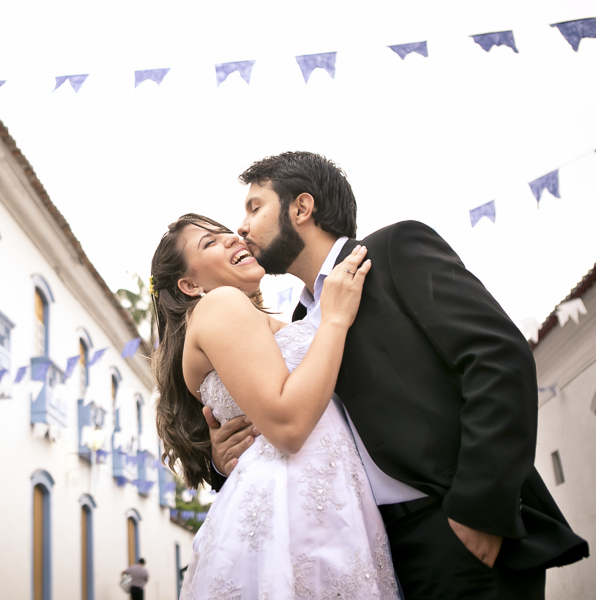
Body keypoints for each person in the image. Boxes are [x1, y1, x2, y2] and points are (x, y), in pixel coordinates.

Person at [207, 150, 589, 599]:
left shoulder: (394, 251)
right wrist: (223, 461)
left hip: (455, 529)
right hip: (371, 553)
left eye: (255, 207)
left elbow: (497, 357)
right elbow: (297, 428)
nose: (243, 227)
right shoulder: (298, 321)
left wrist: (479, 509)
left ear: (301, 208)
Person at [152, 213, 398, 598]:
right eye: (210, 243)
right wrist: (334, 320)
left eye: (226, 233)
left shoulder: (252, 320)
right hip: (292, 512)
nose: (234, 238)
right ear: (189, 283)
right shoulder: (220, 304)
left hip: (329, 501)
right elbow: (288, 425)